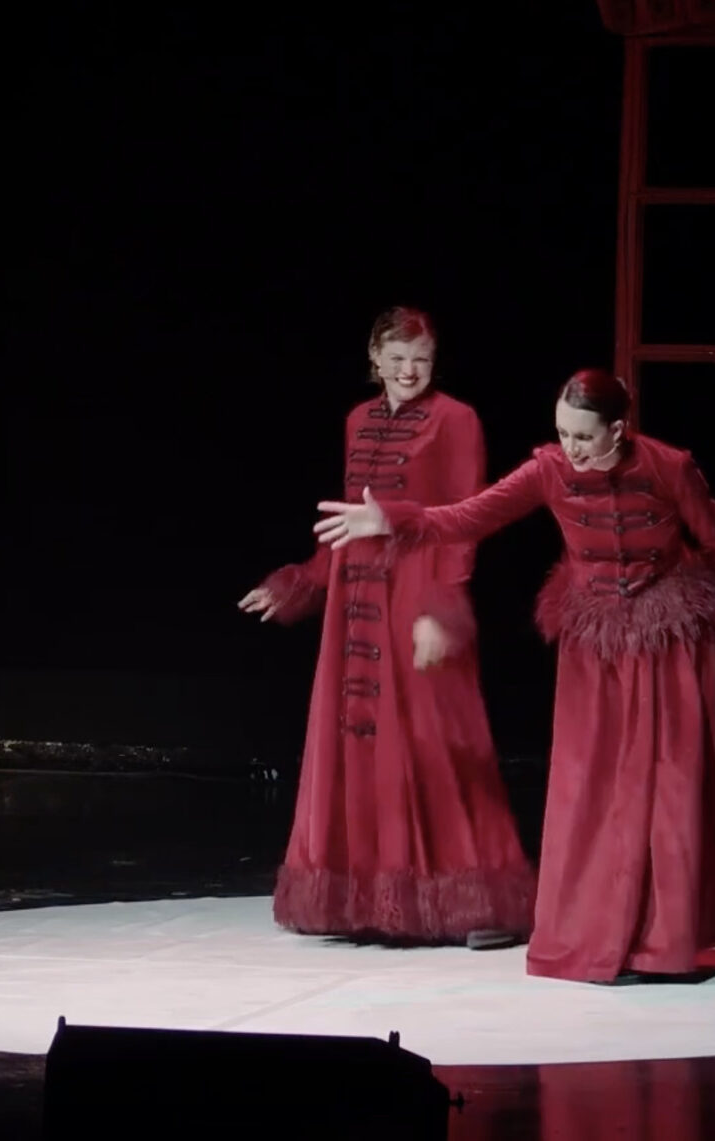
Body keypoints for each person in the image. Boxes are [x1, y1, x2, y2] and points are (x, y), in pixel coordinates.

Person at [312, 369, 715, 983]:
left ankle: (663, 943)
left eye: (584, 437)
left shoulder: (669, 466)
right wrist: (392, 519)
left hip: (668, 645)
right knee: (594, 794)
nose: (571, 447)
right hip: (596, 653)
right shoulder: (548, 469)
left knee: (670, 792)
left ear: (618, 429)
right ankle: (597, 932)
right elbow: (469, 517)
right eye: (563, 433)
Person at [239, 306, 535, 949]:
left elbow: (466, 519)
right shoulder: (357, 419)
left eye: (421, 360)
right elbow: (350, 520)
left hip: (418, 586)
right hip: (357, 597)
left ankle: (478, 900)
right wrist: (304, 579)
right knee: (362, 744)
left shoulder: (457, 419)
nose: (408, 371)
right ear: (374, 358)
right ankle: (370, 899)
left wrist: (442, 606)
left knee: (436, 737)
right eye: (397, 359)